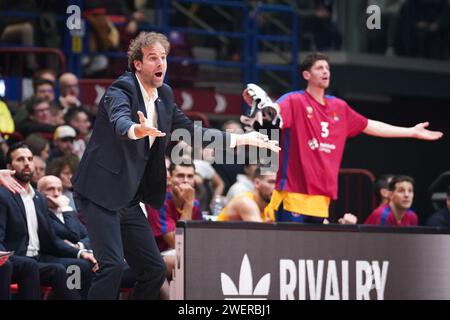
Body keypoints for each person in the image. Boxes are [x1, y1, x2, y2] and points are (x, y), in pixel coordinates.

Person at [72, 31, 279, 300]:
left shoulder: (165, 96)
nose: (160, 64)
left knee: (154, 269)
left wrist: (241, 139)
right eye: (152, 58)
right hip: (98, 193)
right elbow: (119, 119)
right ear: (137, 63)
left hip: (128, 198)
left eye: (164, 58)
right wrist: (137, 129)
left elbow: (193, 132)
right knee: (111, 266)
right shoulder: (121, 88)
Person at [242, 53, 442, 223]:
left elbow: (370, 125)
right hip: (293, 194)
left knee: (309, 259)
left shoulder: (339, 108)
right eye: (319, 68)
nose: (325, 71)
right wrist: (263, 107)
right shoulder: (294, 100)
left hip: (321, 199)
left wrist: (410, 131)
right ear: (307, 75)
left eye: (327, 68)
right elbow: (273, 114)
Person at [0, 143, 98, 299]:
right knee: (54, 269)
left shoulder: (39, 199)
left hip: (39, 257)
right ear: (9, 166)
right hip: (17, 258)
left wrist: (79, 252)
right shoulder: (4, 195)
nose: (27, 163)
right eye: (20, 159)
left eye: (30, 159)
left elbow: (52, 239)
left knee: (80, 267)